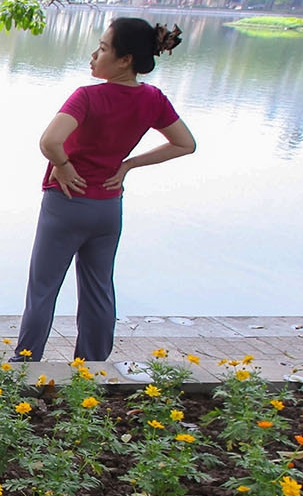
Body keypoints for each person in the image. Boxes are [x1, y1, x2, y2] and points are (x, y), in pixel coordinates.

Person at [11, 18, 195, 367]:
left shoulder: (88, 96)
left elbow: (50, 142)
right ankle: (92, 368)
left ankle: (24, 366)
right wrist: (127, 165)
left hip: (65, 204)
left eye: (104, 48)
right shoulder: (153, 99)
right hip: (108, 208)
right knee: (98, 291)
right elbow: (185, 144)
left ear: (125, 59)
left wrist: (63, 165)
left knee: (43, 291)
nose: (94, 55)